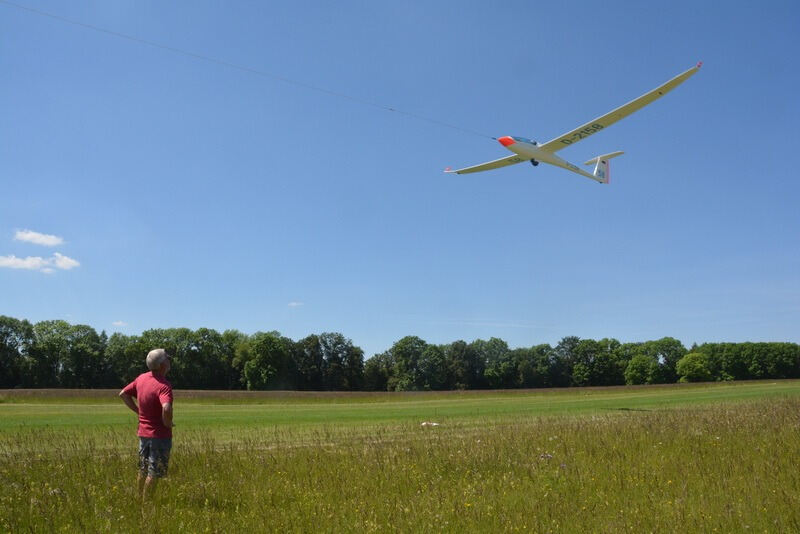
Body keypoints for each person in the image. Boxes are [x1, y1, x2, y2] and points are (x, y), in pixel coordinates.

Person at [119, 348, 174, 501]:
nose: (169, 361)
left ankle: (139, 498)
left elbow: (123, 394)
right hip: (159, 435)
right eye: (167, 358)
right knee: (154, 473)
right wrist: (167, 422)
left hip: (143, 434)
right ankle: (147, 505)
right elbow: (166, 407)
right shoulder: (164, 385)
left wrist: (138, 411)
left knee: (143, 470)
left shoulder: (141, 378)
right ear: (163, 364)